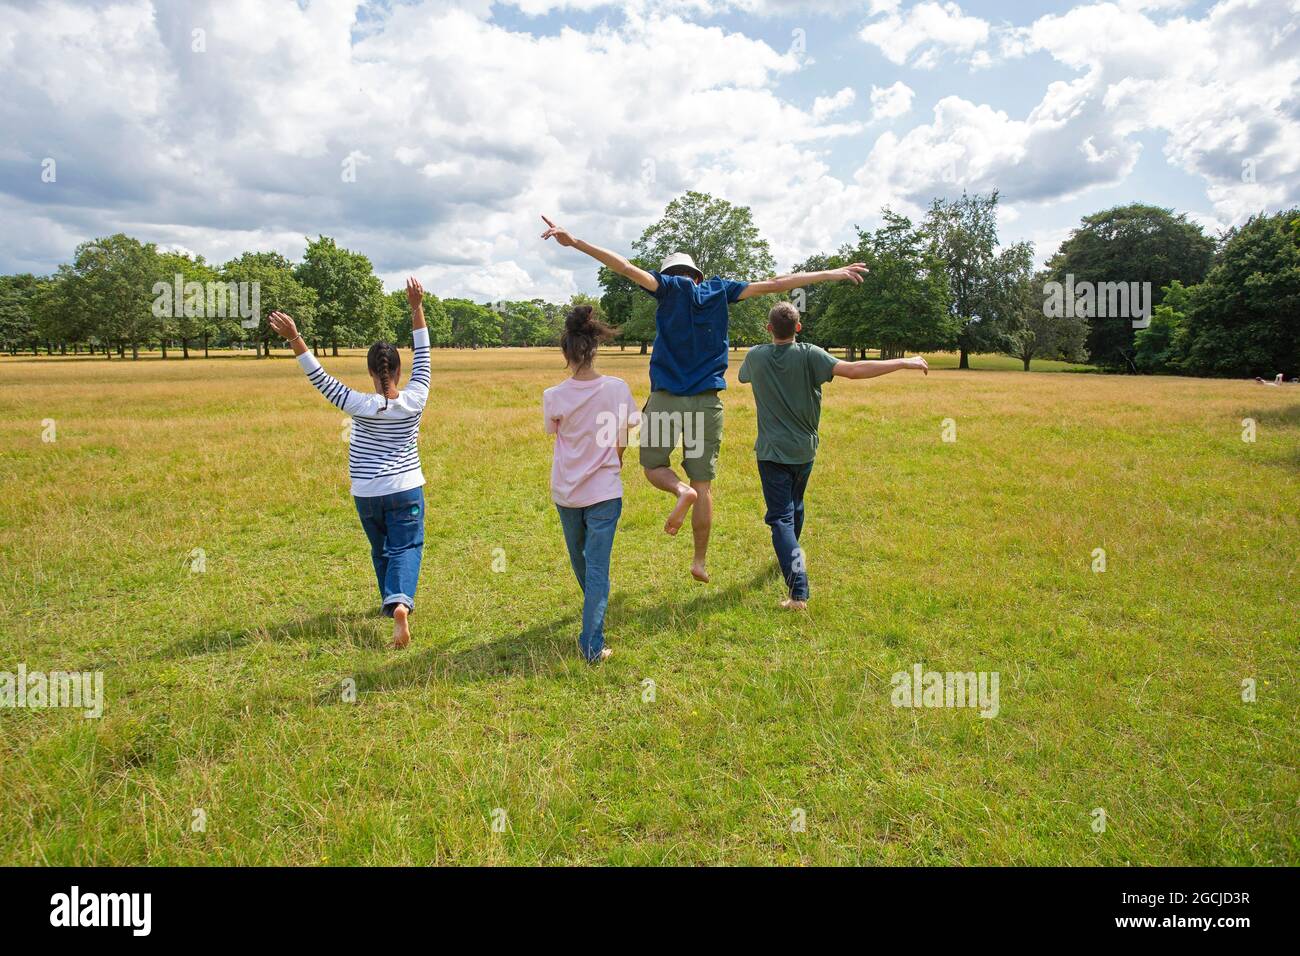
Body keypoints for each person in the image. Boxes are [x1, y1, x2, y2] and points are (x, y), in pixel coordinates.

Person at [540, 214, 867, 584]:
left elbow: (625, 266)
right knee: (704, 487)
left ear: (672, 274)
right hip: (706, 404)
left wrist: (576, 241)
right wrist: (832, 273)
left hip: (666, 399)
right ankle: (699, 561)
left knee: (654, 468)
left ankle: (678, 490)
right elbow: (777, 283)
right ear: (697, 275)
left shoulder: (665, 287)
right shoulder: (719, 290)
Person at [266, 278, 430, 648]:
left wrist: (295, 337)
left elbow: (318, 377)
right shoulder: (416, 397)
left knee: (381, 547)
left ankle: (392, 603)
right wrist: (415, 308)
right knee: (406, 547)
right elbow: (425, 354)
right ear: (398, 372)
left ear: (372, 373)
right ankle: (400, 602)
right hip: (406, 488)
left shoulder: (356, 403)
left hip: (367, 492)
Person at [738, 301, 928, 610]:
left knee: (780, 519)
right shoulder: (811, 353)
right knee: (795, 506)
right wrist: (904, 362)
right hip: (804, 452)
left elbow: (743, 377)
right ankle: (791, 555)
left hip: (772, 453)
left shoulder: (756, 356)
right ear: (798, 327)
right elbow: (853, 371)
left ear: (768, 328)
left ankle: (798, 593)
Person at [543, 305, 640, 663]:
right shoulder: (617, 389)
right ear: (595, 348)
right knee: (593, 567)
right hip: (603, 491)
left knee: (584, 563)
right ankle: (594, 616)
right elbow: (625, 434)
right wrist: (614, 461)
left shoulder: (553, 396)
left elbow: (555, 434)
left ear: (566, 353)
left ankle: (591, 643)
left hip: (567, 492)